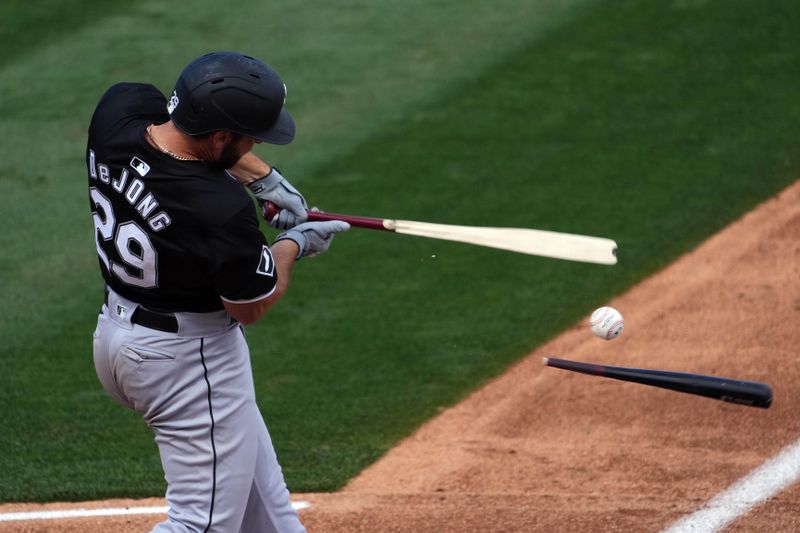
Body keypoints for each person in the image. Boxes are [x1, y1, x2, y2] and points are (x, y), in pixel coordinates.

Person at [87, 51, 348, 532]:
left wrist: (262, 177)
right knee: (201, 526)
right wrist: (293, 243)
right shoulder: (219, 208)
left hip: (117, 338)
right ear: (223, 136)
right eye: (250, 138)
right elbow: (249, 306)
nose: (257, 144)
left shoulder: (116, 114)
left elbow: (176, 132)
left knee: (269, 515)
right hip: (186, 363)